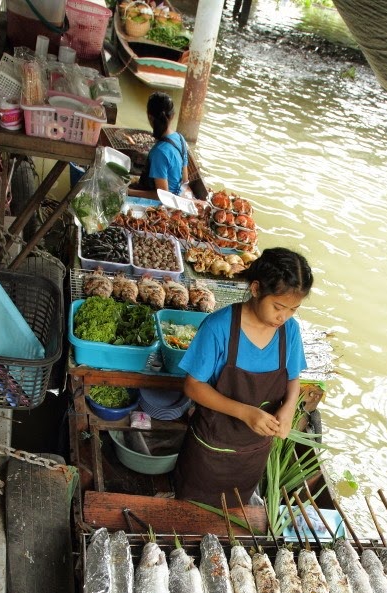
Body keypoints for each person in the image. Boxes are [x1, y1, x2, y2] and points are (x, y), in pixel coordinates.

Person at [173, 247, 313, 506]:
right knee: (190, 512)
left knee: (237, 512)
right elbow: (193, 387)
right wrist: (246, 413)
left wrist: (289, 407)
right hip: (209, 451)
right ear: (256, 289)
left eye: (293, 309)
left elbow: (293, 378)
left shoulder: (289, 332)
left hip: (252, 455)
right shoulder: (219, 327)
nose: (283, 317)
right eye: (278, 307)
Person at [134, 92, 190, 196]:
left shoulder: (159, 151)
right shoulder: (180, 138)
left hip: (164, 203)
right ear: (172, 116)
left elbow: (162, 196)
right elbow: (185, 180)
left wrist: (128, 192)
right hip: (177, 195)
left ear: (150, 117)